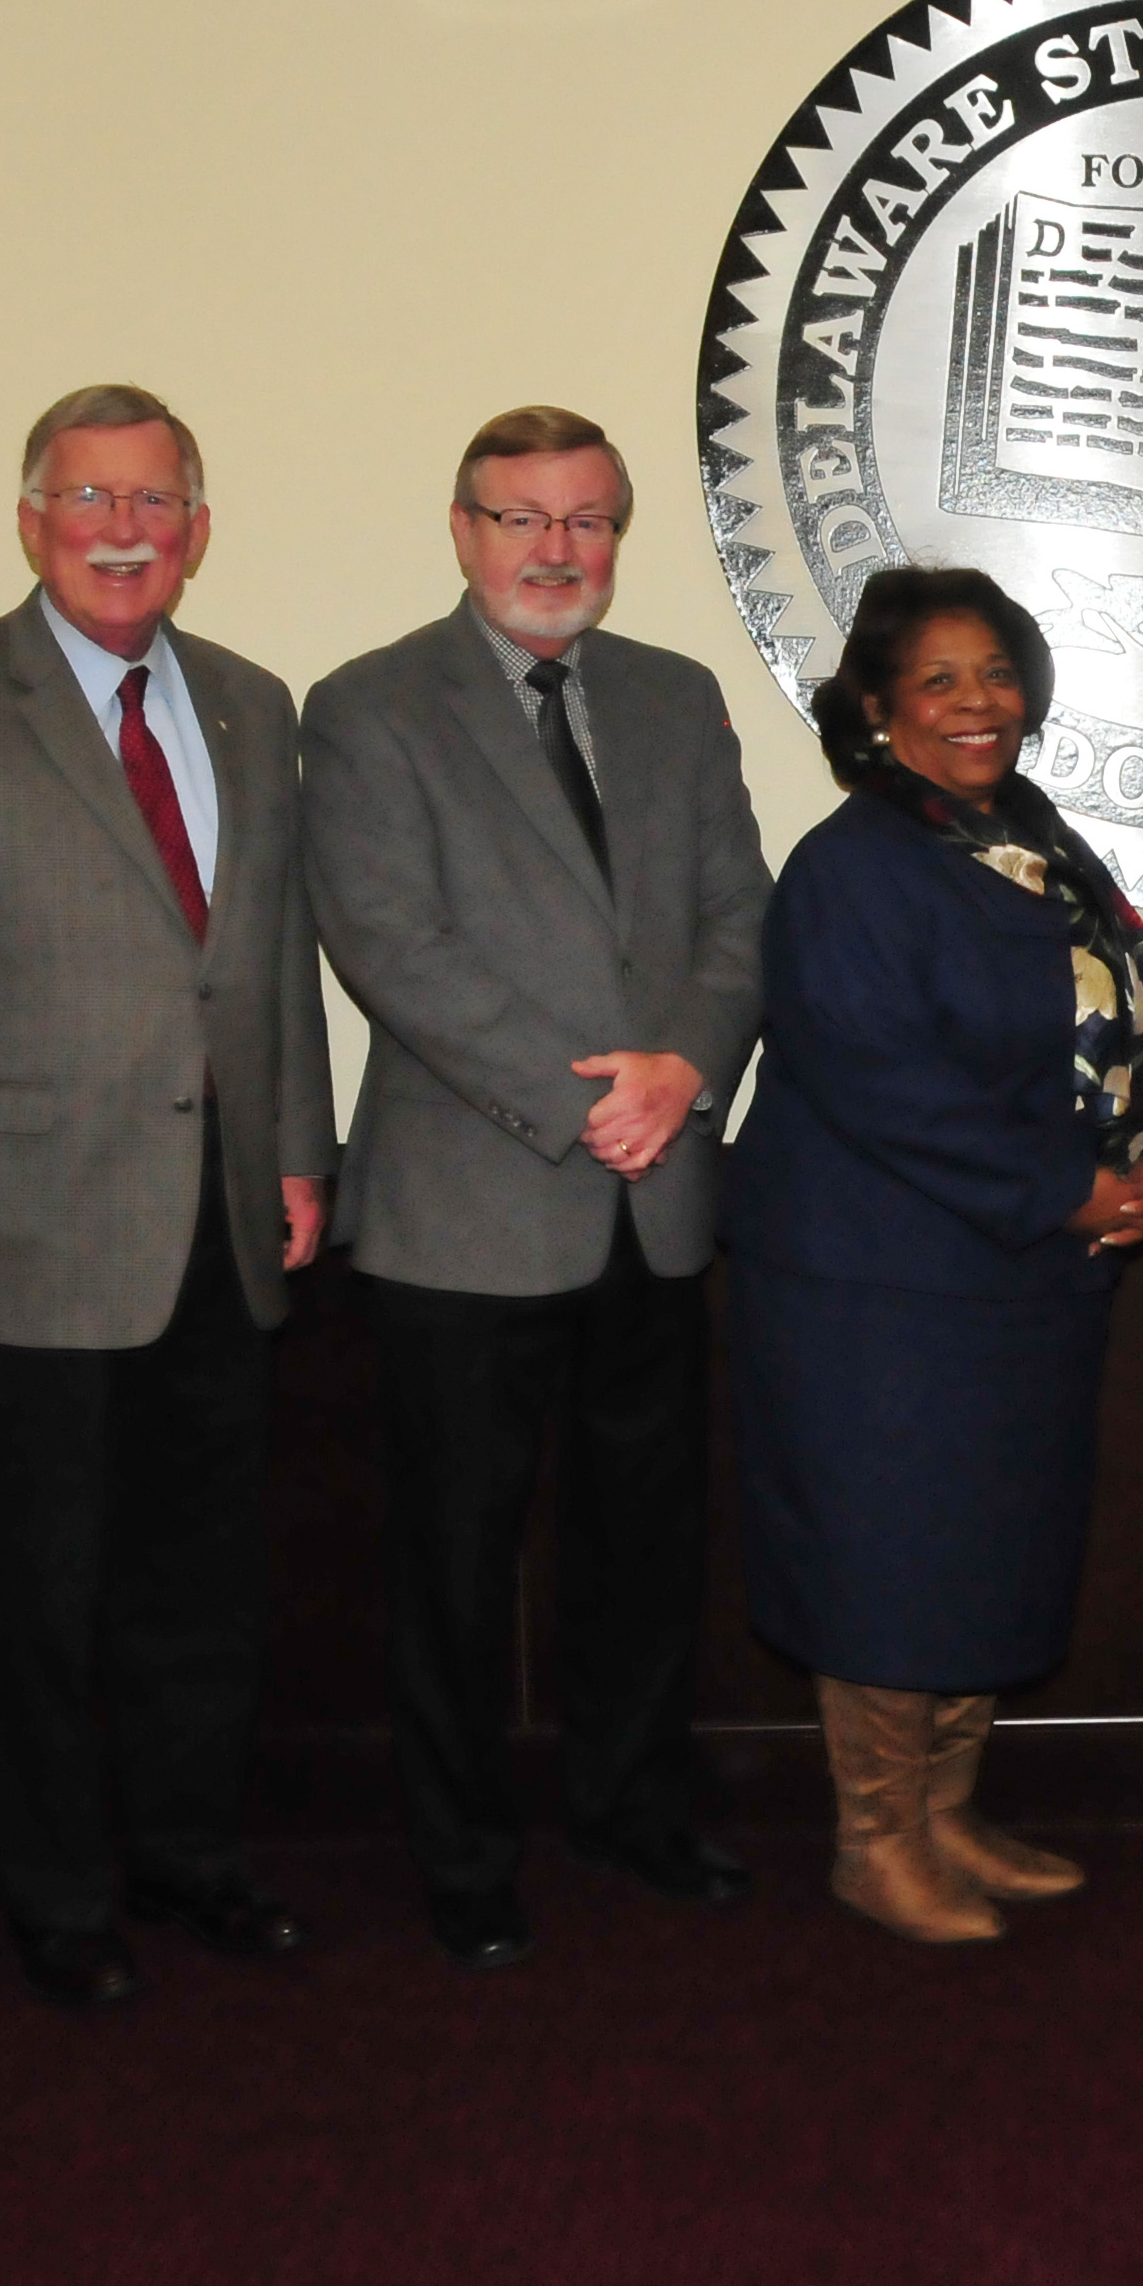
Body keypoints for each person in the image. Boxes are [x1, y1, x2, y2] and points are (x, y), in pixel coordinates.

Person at [0, 383, 337, 2010]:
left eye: (155, 502)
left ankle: (189, 1858)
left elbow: (266, 961)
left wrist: (297, 1154)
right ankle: (59, 1902)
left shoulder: (256, 705)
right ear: (33, 519)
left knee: (203, 1584)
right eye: (88, 499)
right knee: (37, 1599)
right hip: (16, 1236)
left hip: (218, 1227)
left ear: (197, 527)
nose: (123, 530)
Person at [302, 408, 773, 1971]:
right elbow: (390, 944)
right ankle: (462, 1852)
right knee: (453, 1560)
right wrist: (594, 1106)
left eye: (586, 520)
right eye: (521, 519)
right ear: (462, 530)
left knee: (643, 1544)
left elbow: (734, 914)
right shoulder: (369, 708)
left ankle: (632, 1807)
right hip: (471, 1207)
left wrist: (685, 1072)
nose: (555, 550)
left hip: (659, 1200)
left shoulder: (677, 695)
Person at [726, 565, 1143, 1943]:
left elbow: (1105, 1025)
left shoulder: (1026, 836)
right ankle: (874, 1842)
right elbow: (882, 1083)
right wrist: (1070, 1191)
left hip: (1016, 1282)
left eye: (996, 671)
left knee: (987, 1554)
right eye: (939, 678)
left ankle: (943, 1816)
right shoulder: (853, 865)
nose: (976, 701)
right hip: (876, 1290)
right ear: (877, 707)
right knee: (892, 1560)